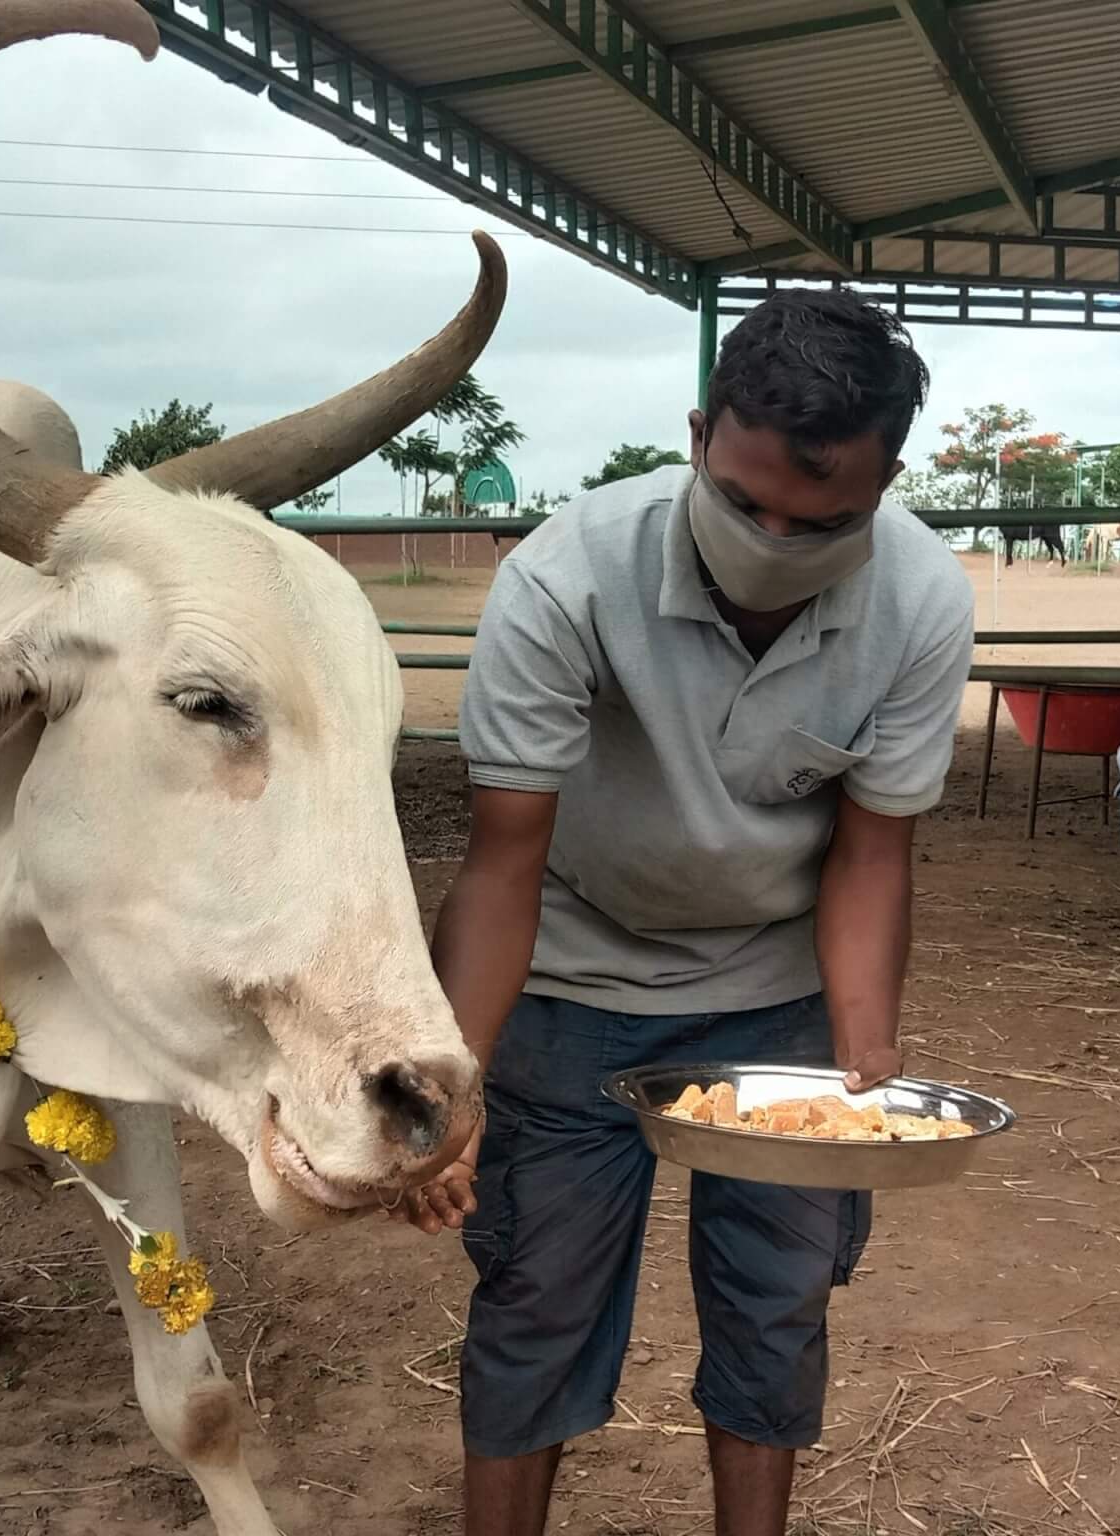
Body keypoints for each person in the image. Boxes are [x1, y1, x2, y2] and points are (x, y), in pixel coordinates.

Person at [398, 290, 976, 1536]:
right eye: (744, 502)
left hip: (773, 1003)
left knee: (776, 1305)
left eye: (823, 522)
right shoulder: (568, 577)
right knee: (534, 1297)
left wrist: (863, 1070)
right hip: (567, 979)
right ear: (698, 432)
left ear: (887, 483)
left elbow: (870, 856)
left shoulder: (920, 599)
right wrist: (453, 1082)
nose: (774, 539)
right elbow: (501, 860)